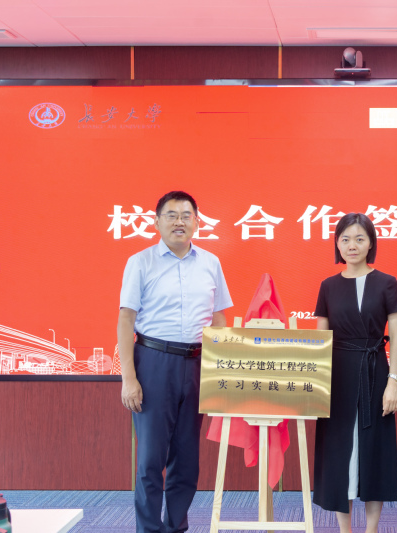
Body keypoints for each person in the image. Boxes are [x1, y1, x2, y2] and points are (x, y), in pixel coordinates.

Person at [118, 191, 233, 533]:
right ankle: (149, 529)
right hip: (153, 363)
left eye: (186, 215)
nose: (179, 221)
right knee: (150, 459)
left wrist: (218, 370)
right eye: (171, 215)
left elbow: (219, 319)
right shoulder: (140, 262)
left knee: (186, 459)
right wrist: (129, 378)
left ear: (197, 222)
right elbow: (126, 320)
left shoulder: (211, 263)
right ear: (156, 222)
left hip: (197, 364)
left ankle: (176, 526)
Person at [313, 212, 397, 533]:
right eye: (345, 239)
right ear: (337, 244)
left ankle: (372, 529)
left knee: (374, 450)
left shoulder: (387, 283)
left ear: (371, 244)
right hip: (337, 377)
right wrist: (318, 384)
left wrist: (393, 382)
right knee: (339, 453)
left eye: (359, 239)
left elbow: (396, 337)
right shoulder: (328, 286)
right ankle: (345, 529)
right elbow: (321, 339)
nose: (352, 245)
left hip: (375, 372)